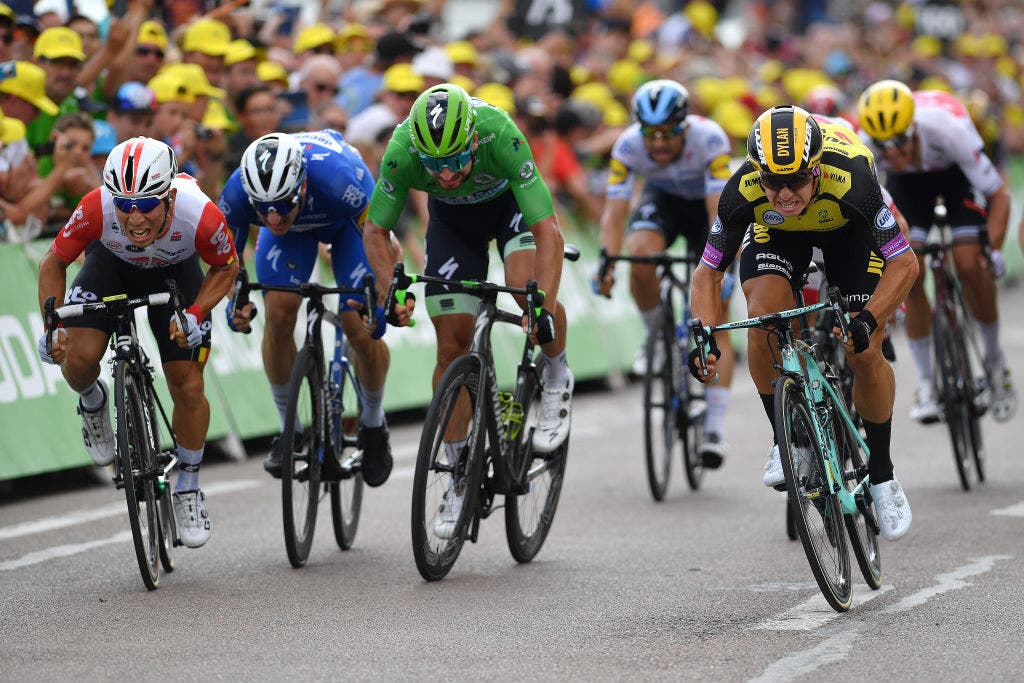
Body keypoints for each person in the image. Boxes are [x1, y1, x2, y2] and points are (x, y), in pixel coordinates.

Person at [689, 105, 918, 542]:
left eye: (795, 180)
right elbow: (708, 272)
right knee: (764, 318)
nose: (784, 194)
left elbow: (904, 263)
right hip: (778, 236)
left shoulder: (852, 176)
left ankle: (883, 476)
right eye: (773, 182)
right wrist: (703, 335)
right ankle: (787, 442)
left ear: (816, 169)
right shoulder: (743, 188)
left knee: (864, 350)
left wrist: (870, 319)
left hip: (848, 233)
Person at [362, 83, 573, 537]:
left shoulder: (500, 133)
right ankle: (458, 474)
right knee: (451, 346)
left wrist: (541, 305)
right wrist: (390, 290)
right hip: (453, 224)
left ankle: (557, 374)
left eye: (456, 160)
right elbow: (375, 231)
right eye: (434, 165)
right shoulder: (401, 152)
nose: (446, 175)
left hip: (511, 210)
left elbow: (548, 230)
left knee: (525, 289)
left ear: (474, 140)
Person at [37, 137, 239, 548]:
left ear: (168, 197)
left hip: (176, 275)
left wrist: (196, 314)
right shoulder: (96, 207)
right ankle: (92, 401)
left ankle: (188, 487)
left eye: (146, 204)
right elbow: (53, 261)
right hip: (111, 268)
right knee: (77, 358)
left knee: (188, 384)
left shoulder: (199, 213)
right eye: (124, 205)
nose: (135, 217)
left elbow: (225, 267)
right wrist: (51, 325)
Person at [219, 130, 395, 487]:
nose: (273, 219)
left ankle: (374, 423)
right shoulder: (237, 192)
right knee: (279, 314)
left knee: (360, 326)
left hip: (346, 226)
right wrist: (233, 302)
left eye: (283, 204)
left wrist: (386, 295)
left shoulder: (338, 179)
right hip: (295, 238)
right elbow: (223, 263)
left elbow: (382, 241)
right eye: (263, 209)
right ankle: (291, 430)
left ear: (301, 184)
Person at [593, 79, 736, 468]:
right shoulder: (627, 146)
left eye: (667, 133)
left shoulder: (710, 140)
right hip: (664, 202)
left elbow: (718, 214)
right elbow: (615, 212)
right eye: (650, 133)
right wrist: (607, 261)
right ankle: (655, 334)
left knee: (717, 316)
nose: (657, 143)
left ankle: (714, 428)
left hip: (707, 211)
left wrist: (723, 270)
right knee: (639, 253)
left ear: (683, 126)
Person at [857, 80, 1017, 424]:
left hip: (955, 175)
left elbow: (999, 195)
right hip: (909, 187)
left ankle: (995, 363)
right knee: (908, 271)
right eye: (884, 147)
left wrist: (993, 251)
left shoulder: (948, 130)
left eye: (899, 142)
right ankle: (927, 382)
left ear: (913, 128)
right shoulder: (865, 145)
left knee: (969, 263)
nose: (892, 153)